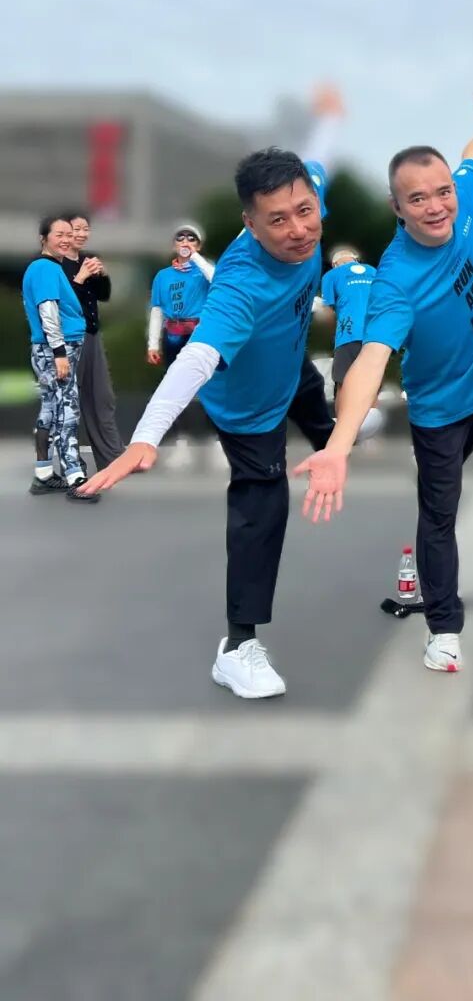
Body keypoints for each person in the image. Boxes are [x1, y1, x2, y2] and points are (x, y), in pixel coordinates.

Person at [78, 146, 337, 699]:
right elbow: (196, 358)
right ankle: (238, 648)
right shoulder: (240, 284)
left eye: (305, 211)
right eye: (278, 221)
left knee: (321, 410)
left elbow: (320, 158)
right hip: (248, 406)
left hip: (288, 365)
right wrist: (145, 436)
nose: (299, 230)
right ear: (250, 224)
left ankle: (338, 438)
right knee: (263, 503)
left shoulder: (307, 189)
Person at [293, 96, 473, 675]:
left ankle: (426, 544)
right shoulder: (395, 281)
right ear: (397, 208)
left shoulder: (463, 198)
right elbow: (371, 361)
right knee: (440, 513)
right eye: (418, 199)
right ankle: (443, 629)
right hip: (439, 412)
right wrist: (338, 445)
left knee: (442, 493)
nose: (436, 206)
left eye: (442, 192)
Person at [22, 216, 98, 503]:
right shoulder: (45, 268)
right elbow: (48, 311)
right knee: (67, 409)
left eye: (69, 234)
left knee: (50, 407)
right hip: (57, 348)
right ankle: (76, 477)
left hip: (49, 349)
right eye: (59, 234)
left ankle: (43, 474)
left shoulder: (46, 267)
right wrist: (59, 354)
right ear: (44, 238)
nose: (66, 239)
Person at [62, 211, 125, 474]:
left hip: (92, 334)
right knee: (69, 401)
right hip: (68, 339)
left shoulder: (88, 259)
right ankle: (70, 463)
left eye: (85, 229)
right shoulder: (55, 264)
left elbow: (104, 295)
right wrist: (81, 277)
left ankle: (112, 457)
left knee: (102, 396)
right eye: (76, 229)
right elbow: (62, 304)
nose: (82, 234)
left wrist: (103, 274)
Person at [148, 224, 212, 370]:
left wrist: (195, 256)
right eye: (180, 238)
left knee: (198, 376)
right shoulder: (162, 276)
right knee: (173, 377)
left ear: (199, 246)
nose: (185, 242)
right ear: (174, 246)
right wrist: (153, 345)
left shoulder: (205, 270)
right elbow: (157, 311)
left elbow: (216, 280)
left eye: (191, 239)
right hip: (172, 336)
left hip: (198, 334)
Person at [317, 244, 377, 398]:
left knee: (343, 382)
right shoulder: (373, 271)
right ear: (355, 259)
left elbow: (327, 311)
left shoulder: (331, 275)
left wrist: (330, 334)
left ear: (335, 263)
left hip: (348, 334)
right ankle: (373, 413)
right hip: (375, 335)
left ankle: (344, 414)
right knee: (371, 384)